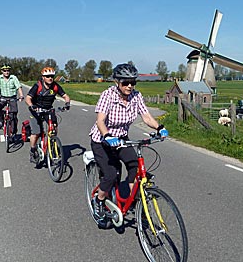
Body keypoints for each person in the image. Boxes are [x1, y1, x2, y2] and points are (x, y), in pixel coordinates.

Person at [88, 63, 168, 224]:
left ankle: (139, 206)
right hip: (102, 140)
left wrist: (160, 127)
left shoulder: (136, 96)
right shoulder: (107, 95)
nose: (130, 86)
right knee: (111, 175)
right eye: (125, 82)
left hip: (122, 139)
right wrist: (108, 135)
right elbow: (100, 121)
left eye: (133, 82)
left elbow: (146, 117)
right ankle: (99, 200)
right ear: (117, 82)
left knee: (136, 168)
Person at [25, 67, 70, 163]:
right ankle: (33, 151)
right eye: (47, 76)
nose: (50, 78)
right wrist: (32, 106)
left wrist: (67, 103)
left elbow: (65, 96)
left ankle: (52, 142)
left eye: (52, 76)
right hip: (36, 110)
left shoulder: (55, 86)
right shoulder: (38, 86)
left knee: (54, 127)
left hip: (48, 109)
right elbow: (28, 98)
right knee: (36, 132)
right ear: (43, 77)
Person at [0, 64, 24, 133]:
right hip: (3, 97)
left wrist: (21, 95)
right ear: (2, 71)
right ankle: (0, 121)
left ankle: (14, 130)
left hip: (12, 98)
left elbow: (18, 87)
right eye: (4, 71)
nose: (6, 72)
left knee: (14, 114)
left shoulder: (13, 78)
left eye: (8, 70)